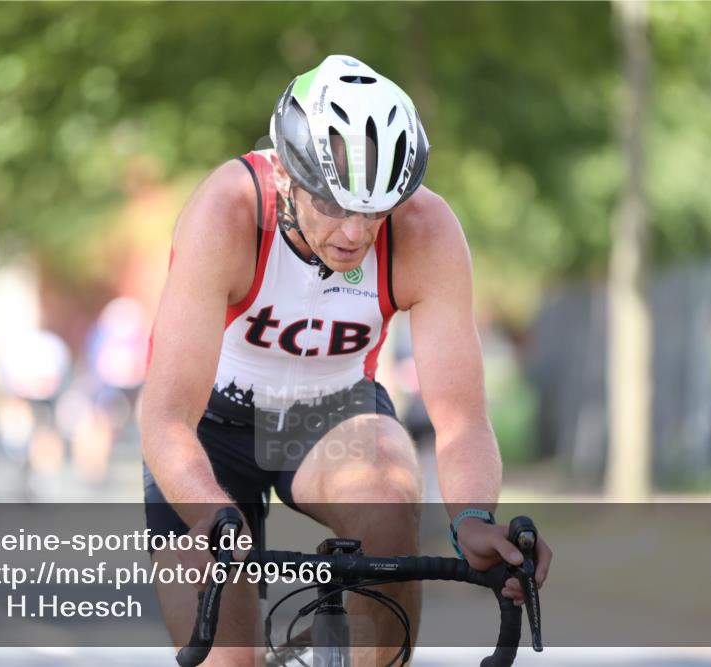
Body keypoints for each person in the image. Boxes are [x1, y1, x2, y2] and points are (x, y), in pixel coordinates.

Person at [141, 54, 552, 666]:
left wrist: (472, 517)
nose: (356, 233)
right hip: (207, 431)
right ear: (285, 174)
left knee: (388, 500)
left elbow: (461, 416)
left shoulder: (426, 231)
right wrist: (209, 512)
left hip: (333, 415)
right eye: (333, 206)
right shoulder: (226, 212)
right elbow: (166, 416)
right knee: (227, 658)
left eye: (376, 210)